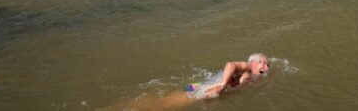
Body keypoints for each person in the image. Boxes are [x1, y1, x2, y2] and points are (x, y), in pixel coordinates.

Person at [112, 53, 269, 111]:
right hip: (207, 86)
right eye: (263, 63)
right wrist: (222, 84)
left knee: (170, 96)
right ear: (254, 62)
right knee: (166, 105)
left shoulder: (251, 75)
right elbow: (230, 64)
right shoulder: (246, 67)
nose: (266, 67)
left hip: (200, 83)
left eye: (268, 65)